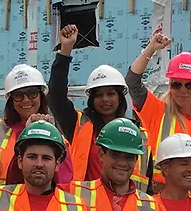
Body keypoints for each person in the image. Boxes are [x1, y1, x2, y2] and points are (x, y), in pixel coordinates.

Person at [48, 23, 151, 186]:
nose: (105, 100)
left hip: (128, 205)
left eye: (110, 93)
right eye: (99, 95)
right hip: (89, 205)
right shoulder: (78, 124)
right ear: (91, 99)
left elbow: (148, 178)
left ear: (120, 97)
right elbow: (56, 96)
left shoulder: (137, 132)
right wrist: (65, 50)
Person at [126, 29, 191, 187]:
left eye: (189, 85)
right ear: (170, 86)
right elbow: (132, 82)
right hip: (158, 199)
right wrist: (151, 49)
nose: (183, 90)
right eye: (177, 84)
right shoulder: (157, 112)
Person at [0, 64, 75, 185]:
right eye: (18, 95)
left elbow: (64, 183)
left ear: (41, 96)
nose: (26, 100)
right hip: (0, 201)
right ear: (10, 100)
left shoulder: (56, 136)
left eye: (32, 93)